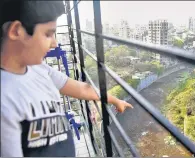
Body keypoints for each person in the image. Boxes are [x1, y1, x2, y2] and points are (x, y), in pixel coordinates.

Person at [0, 1, 133, 157]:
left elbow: (83, 89)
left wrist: (115, 100)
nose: (54, 43)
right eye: (47, 34)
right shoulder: (5, 97)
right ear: (16, 31)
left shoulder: (40, 69)